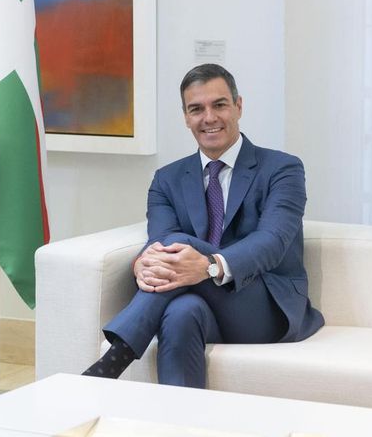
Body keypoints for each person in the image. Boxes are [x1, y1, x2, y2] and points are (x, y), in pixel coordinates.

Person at [82, 64, 324, 387]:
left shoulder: (282, 169)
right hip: (204, 311)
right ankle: (181, 426)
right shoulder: (166, 180)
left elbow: (272, 241)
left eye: (219, 105)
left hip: (264, 307)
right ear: (185, 117)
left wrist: (209, 267)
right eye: (196, 109)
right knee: (180, 313)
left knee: (183, 241)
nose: (208, 118)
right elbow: (161, 242)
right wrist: (143, 263)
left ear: (239, 106)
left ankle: (113, 361)